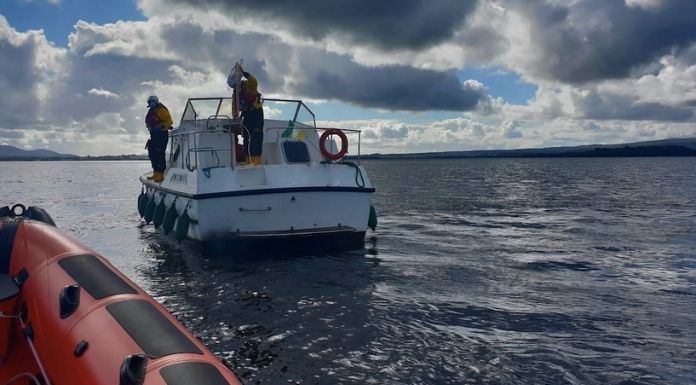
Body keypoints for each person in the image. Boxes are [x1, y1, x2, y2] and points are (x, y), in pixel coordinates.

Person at [228, 67, 264, 165]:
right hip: (247, 114)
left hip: (256, 113)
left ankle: (256, 160)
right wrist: (235, 116)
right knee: (246, 137)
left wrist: (244, 73)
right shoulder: (235, 94)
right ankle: (248, 159)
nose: (235, 88)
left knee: (256, 136)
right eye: (233, 87)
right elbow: (234, 106)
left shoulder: (249, 85)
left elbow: (254, 81)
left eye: (236, 85)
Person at [145, 95, 173, 182]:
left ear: (156, 102)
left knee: (160, 154)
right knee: (153, 154)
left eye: (153, 102)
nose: (151, 103)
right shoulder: (151, 111)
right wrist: (149, 127)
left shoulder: (162, 110)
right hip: (153, 135)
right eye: (150, 102)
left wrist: (161, 125)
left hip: (162, 135)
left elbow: (169, 121)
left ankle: (161, 174)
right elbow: (148, 122)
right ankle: (155, 172)